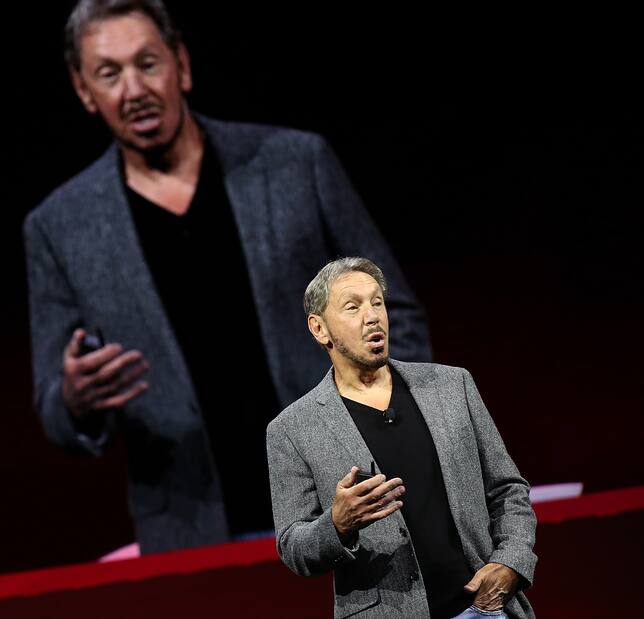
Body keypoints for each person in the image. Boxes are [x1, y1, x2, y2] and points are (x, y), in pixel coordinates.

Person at [23, 0, 433, 554]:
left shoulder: (295, 163)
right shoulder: (59, 227)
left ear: (182, 66)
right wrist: (75, 400)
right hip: (192, 530)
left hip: (349, 495)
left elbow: (397, 313)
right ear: (83, 90)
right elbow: (54, 407)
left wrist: (388, 421)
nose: (133, 89)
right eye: (108, 73)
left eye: (148, 64)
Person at [266, 257, 536, 618]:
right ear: (319, 329)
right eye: (353, 307)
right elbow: (293, 547)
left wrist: (512, 562)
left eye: (377, 302)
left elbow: (508, 488)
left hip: (484, 607)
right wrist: (337, 524)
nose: (373, 316)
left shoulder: (452, 386)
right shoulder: (292, 429)